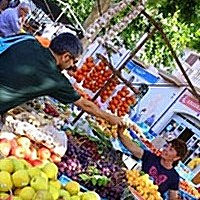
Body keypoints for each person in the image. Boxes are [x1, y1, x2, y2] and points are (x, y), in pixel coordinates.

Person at [0, 32, 124, 134]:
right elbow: (85, 105)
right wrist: (110, 118)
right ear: (65, 57)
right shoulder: (56, 80)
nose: (73, 66)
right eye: (73, 61)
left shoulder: (27, 39)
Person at [118, 129, 188, 199]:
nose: (165, 149)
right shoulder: (150, 157)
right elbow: (132, 148)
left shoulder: (174, 177)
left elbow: (173, 198)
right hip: (128, 193)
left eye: (171, 149)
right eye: (167, 146)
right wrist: (121, 134)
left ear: (176, 158)